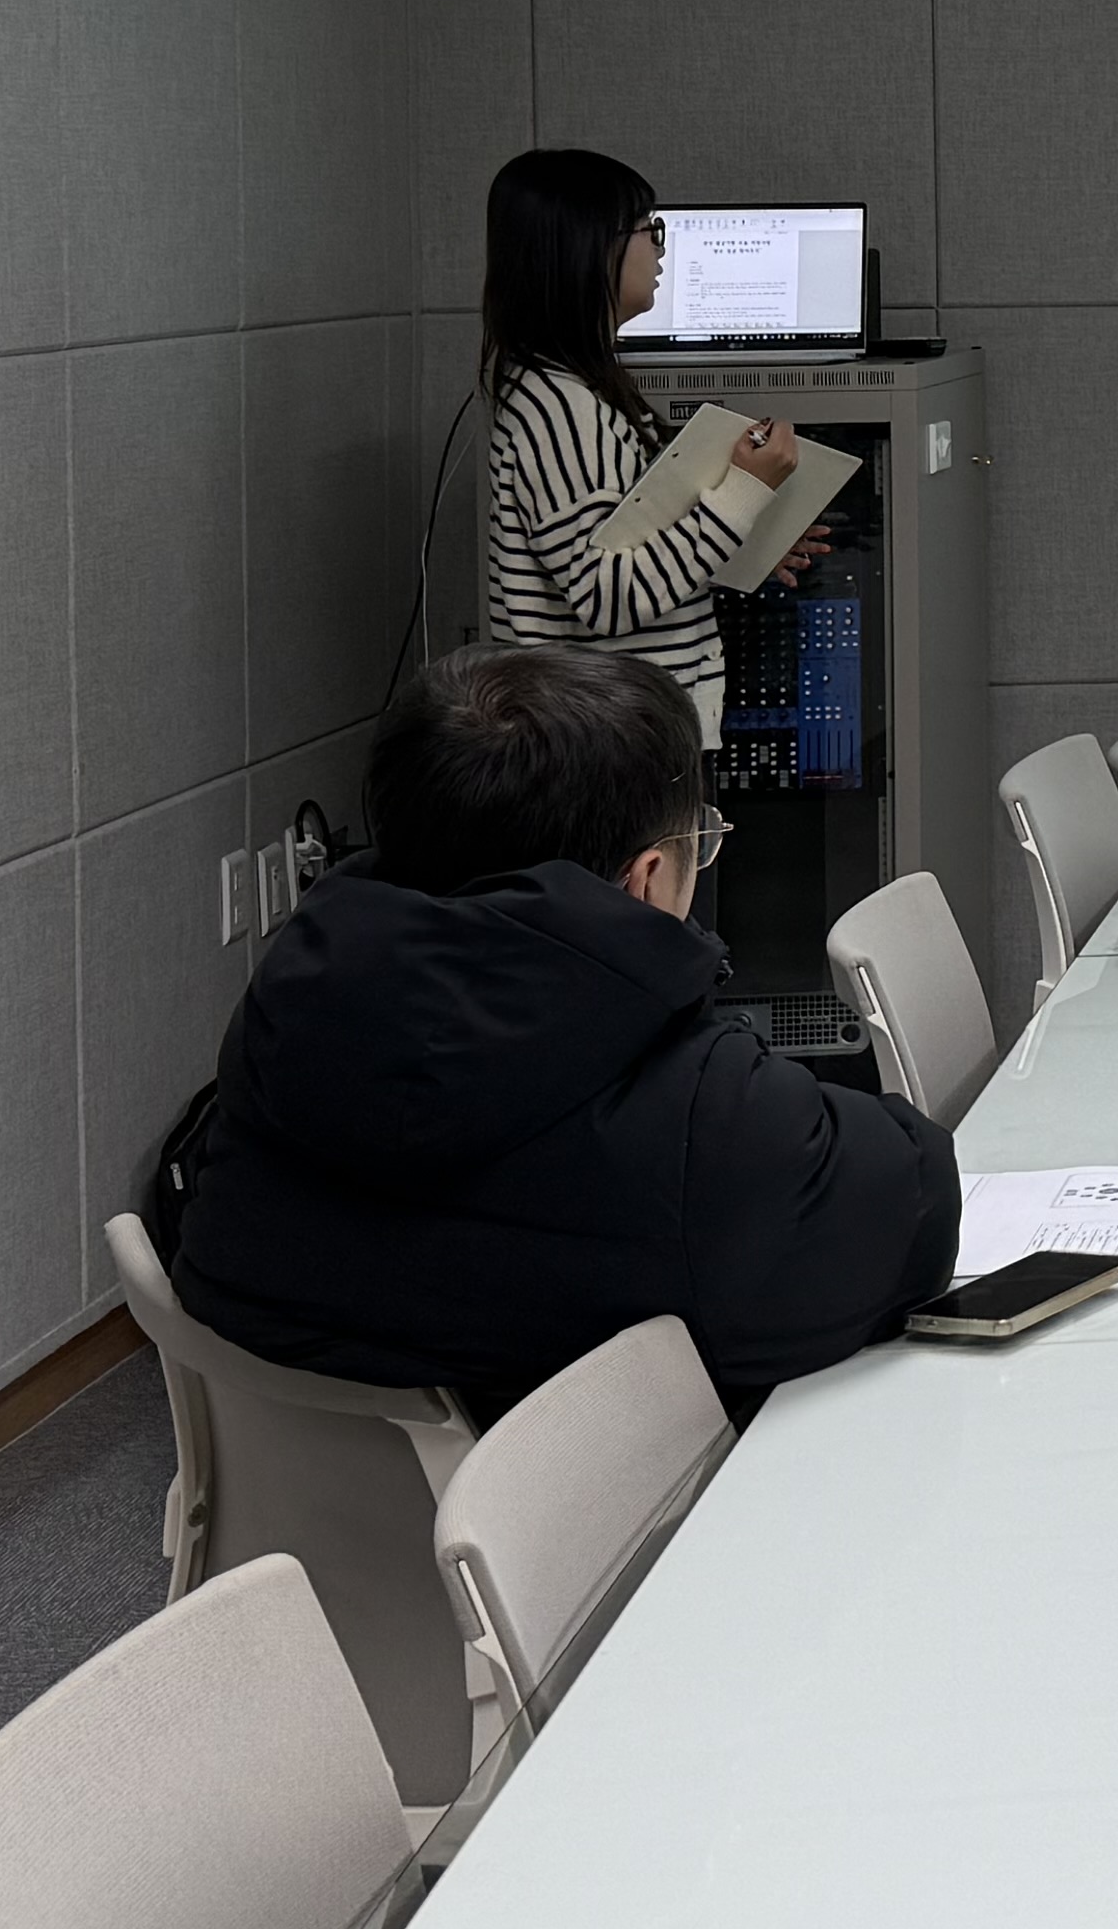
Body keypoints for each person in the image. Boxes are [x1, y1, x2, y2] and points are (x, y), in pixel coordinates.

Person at [155, 642, 960, 1419]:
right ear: (647, 880)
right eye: (700, 841)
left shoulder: (283, 1017)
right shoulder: (705, 1122)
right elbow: (918, 1205)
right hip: (617, 1508)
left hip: (314, 1503)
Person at [476, 146, 802, 745]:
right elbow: (605, 597)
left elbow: (629, 548)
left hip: (621, 736)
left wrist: (744, 546)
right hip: (604, 745)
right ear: (589, 248)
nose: (661, 250)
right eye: (649, 231)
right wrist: (741, 494)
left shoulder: (578, 391)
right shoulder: (561, 408)